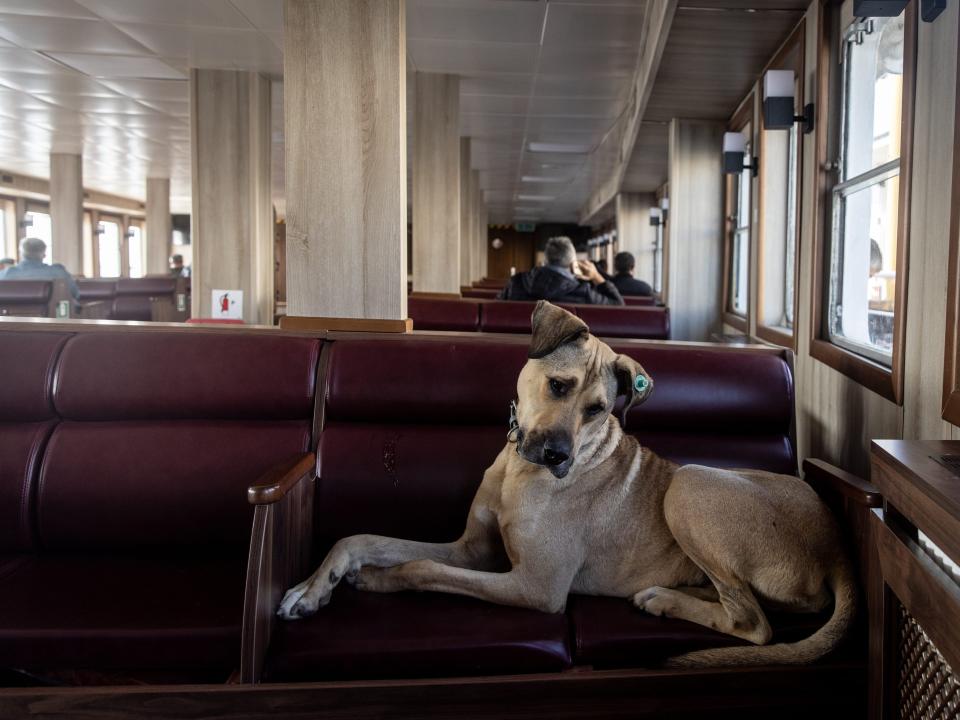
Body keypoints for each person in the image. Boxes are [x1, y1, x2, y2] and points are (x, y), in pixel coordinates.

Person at [498, 236, 623, 305]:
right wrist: (596, 276)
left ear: (545, 259)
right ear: (573, 262)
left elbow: (495, 309)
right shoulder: (583, 292)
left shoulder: (516, 282)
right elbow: (618, 306)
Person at [0, 238, 79, 299]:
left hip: (10, 318)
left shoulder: (4, 275)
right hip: (53, 318)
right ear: (44, 254)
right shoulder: (59, 273)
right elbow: (75, 293)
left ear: (21, 254)